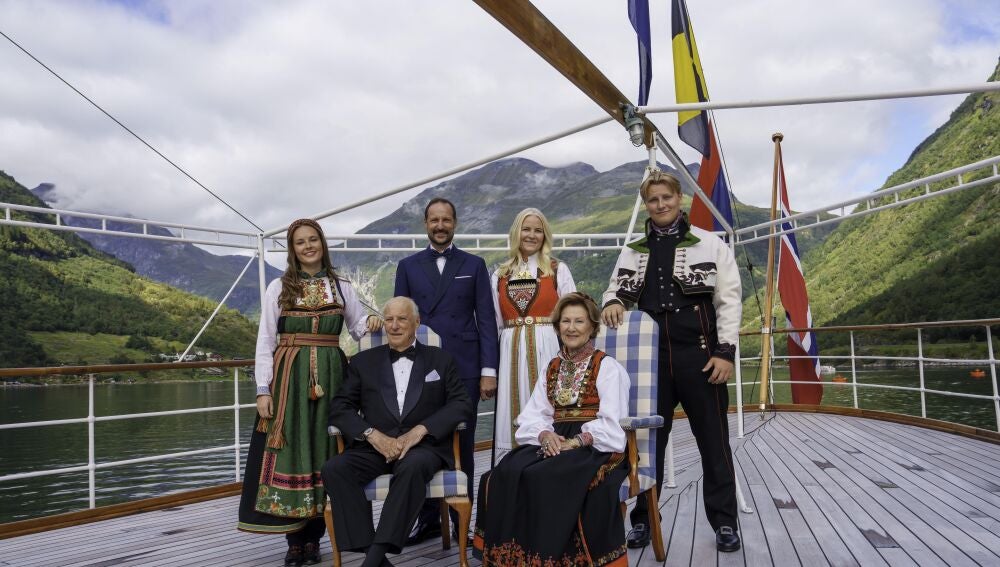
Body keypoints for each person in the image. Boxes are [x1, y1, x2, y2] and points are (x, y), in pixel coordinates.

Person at [601, 168, 743, 552]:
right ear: (646, 204)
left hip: (700, 358)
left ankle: (725, 523)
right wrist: (613, 301)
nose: (660, 204)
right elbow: (614, 290)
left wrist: (725, 353)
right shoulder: (633, 250)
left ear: (679, 198)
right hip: (650, 364)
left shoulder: (711, 245)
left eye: (667, 197)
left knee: (713, 444)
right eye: (653, 199)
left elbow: (728, 301)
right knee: (647, 445)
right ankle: (645, 520)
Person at [238, 218, 382, 567]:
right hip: (288, 378)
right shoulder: (279, 287)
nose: (308, 246)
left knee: (325, 451)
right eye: (300, 242)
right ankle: (294, 541)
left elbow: (357, 327)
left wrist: (374, 323)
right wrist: (262, 388)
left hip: (332, 377)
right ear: (293, 249)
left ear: (322, 243)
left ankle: (316, 537)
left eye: (313, 239)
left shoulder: (342, 285)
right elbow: (266, 341)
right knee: (292, 451)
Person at [473, 292, 631, 566]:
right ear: (557, 327)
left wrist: (576, 442)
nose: (571, 328)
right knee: (502, 473)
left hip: (595, 446)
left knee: (545, 476)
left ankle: (550, 558)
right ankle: (515, 556)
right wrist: (545, 435)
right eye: (565, 321)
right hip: (555, 438)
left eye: (579, 321)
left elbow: (613, 421)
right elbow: (535, 413)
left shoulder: (607, 367)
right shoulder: (552, 366)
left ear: (592, 327)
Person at [322, 297, 471, 567]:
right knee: (335, 468)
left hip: (423, 447)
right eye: (389, 319)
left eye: (402, 319)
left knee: (412, 467)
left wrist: (420, 431)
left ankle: (373, 559)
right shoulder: (363, 362)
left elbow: (461, 404)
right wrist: (372, 435)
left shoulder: (441, 359)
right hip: (375, 447)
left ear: (417, 322)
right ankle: (377, 559)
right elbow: (340, 408)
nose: (394, 325)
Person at [394, 197, 499, 544]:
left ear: (455, 223)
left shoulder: (474, 263)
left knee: (462, 443)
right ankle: (427, 521)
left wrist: (489, 370)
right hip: (419, 367)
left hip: (465, 367)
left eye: (446, 220)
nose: (440, 225)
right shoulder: (407, 266)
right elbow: (399, 320)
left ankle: (459, 521)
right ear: (426, 224)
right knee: (420, 443)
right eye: (434, 220)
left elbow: (485, 319)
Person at [490, 208, 576, 463]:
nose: (531, 235)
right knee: (511, 409)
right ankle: (511, 470)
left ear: (545, 235)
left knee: (549, 404)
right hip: (510, 349)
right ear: (516, 232)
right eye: (526, 229)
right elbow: (495, 322)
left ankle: (551, 464)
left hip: (548, 345)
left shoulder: (557, 269)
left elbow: (572, 315)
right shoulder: (499, 275)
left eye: (538, 230)